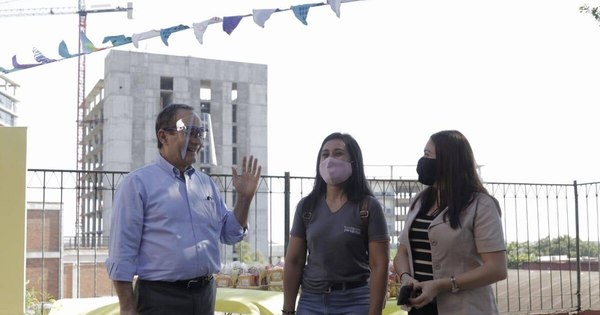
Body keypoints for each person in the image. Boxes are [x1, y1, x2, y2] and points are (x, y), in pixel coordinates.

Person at [105, 103, 262, 315]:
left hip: (205, 295)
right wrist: (127, 307)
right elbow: (121, 251)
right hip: (160, 298)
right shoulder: (138, 184)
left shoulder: (205, 183)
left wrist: (244, 199)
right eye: (188, 131)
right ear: (163, 136)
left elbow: (230, 233)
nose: (197, 140)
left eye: (200, 132)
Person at [393, 130, 507, 315]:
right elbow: (402, 253)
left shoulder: (481, 205)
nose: (422, 161)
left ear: (448, 162)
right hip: (420, 308)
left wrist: (443, 285)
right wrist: (405, 277)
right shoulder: (419, 201)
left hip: (466, 309)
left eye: (427, 155)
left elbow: (497, 269)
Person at [282, 132, 390, 315]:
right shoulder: (306, 207)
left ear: (353, 162)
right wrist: (288, 310)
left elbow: (380, 265)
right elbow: (294, 261)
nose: (330, 159)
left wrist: (375, 311)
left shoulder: (368, 207)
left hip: (355, 301)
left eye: (338, 153)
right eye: (325, 154)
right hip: (311, 301)